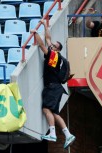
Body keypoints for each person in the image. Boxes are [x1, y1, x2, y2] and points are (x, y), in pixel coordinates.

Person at [30, 19, 76, 149]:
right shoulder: (56, 55)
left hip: (52, 87)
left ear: (57, 49)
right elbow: (48, 39)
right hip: (56, 88)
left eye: (54, 46)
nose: (51, 45)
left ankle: (53, 133)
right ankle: (68, 134)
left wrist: (35, 33)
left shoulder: (54, 56)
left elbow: (42, 46)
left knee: (46, 109)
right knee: (54, 113)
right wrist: (45, 26)